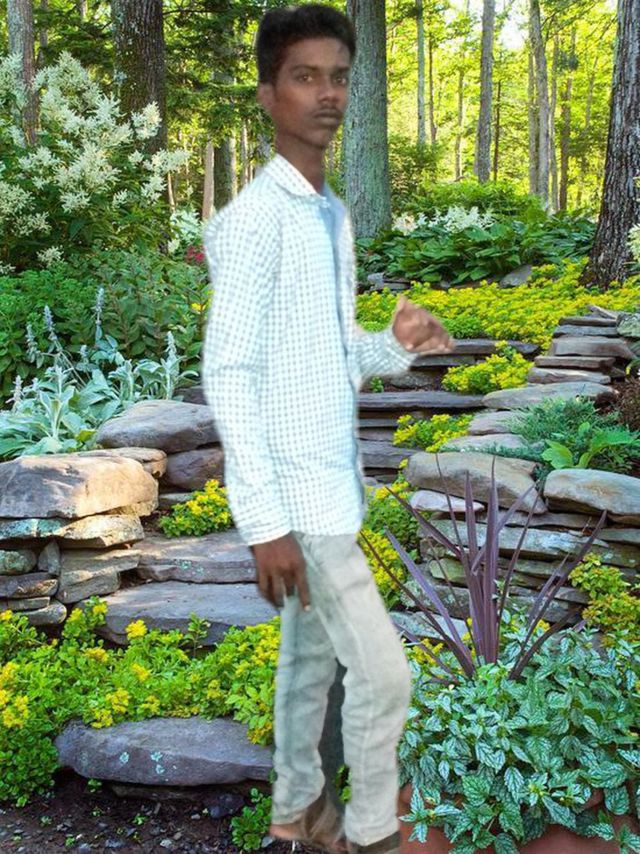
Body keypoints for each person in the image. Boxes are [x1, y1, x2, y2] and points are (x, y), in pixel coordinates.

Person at [200, 5, 454, 854]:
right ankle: (375, 834)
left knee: (308, 666)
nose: (327, 94)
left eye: (339, 76)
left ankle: (297, 813)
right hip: (298, 503)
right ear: (268, 94)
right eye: (305, 76)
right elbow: (230, 373)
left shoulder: (329, 214)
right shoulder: (254, 221)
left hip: (331, 487)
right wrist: (264, 522)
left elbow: (329, 355)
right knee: (386, 676)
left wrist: (396, 343)